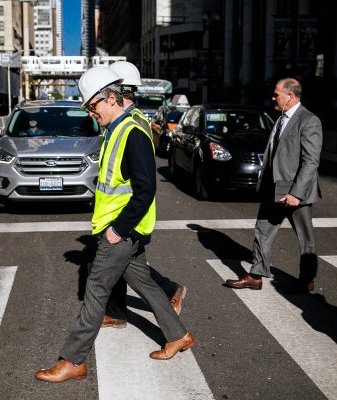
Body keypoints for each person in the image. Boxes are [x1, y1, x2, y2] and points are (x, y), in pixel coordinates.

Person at [35, 67, 195, 383]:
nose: (91, 113)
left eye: (93, 106)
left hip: (120, 231)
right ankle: (178, 335)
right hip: (119, 229)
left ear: (111, 98)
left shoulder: (132, 132)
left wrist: (119, 229)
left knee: (95, 289)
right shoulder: (117, 128)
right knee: (145, 283)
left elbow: (146, 188)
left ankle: (72, 360)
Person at [100, 60, 187, 329]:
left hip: (131, 213)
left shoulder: (133, 123)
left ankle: (171, 295)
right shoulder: (121, 120)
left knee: (127, 269)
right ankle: (118, 312)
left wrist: (125, 221)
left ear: (118, 90)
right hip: (119, 210)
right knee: (127, 268)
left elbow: (143, 181)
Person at [225, 77, 322, 293]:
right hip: (275, 188)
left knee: (305, 237)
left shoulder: (309, 120)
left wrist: (296, 193)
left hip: (297, 190)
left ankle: (307, 279)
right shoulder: (280, 119)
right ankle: (256, 275)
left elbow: (311, 161)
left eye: (276, 93)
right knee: (263, 230)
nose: (273, 97)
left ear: (289, 96)